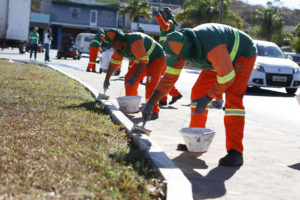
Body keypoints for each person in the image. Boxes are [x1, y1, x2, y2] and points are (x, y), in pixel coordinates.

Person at [142, 23, 257, 166]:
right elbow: (168, 79)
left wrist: (209, 97)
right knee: (198, 92)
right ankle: (196, 139)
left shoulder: (211, 46)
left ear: (187, 50)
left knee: (233, 101)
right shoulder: (178, 47)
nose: (179, 61)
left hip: (242, 54)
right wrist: (151, 103)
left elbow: (228, 77)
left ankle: (236, 152)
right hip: (219, 60)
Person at [103, 28, 166, 120]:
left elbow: (144, 61)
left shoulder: (134, 41)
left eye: (113, 43)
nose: (112, 46)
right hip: (143, 60)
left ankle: (153, 111)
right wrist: (107, 78)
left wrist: (136, 76)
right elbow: (114, 62)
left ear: (119, 40)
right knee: (129, 78)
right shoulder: (119, 48)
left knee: (150, 85)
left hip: (157, 59)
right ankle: (131, 107)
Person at [153, 7, 182, 106]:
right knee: (162, 76)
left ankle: (170, 96)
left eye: (163, 14)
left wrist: (157, 16)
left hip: (167, 53)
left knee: (161, 76)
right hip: (164, 52)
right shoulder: (167, 22)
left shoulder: (170, 22)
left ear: (168, 14)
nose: (162, 15)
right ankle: (168, 97)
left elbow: (165, 27)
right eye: (161, 14)